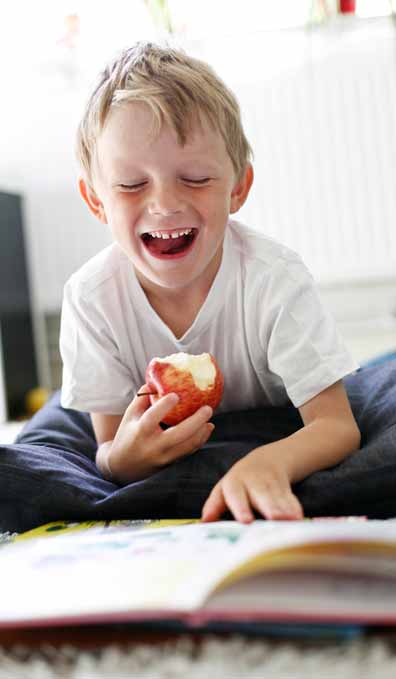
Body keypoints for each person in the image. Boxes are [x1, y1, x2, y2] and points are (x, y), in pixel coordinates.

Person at [59, 41, 360, 524]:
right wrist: (122, 461)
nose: (164, 204)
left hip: (274, 414)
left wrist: (268, 462)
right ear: (96, 202)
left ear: (238, 187)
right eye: (132, 185)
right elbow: (108, 448)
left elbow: (337, 426)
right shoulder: (91, 298)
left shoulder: (273, 280)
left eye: (196, 177)